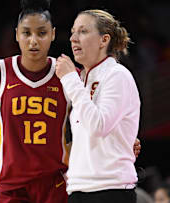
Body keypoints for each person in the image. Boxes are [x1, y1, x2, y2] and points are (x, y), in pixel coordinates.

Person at [0, 1, 141, 202]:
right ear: (16, 34)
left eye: (42, 33)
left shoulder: (70, 75)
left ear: (53, 34)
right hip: (10, 185)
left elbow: (92, 123)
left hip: (56, 185)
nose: (33, 41)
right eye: (26, 33)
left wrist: (119, 139)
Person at [55, 9, 141, 203]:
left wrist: (70, 79)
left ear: (104, 40)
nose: (73, 38)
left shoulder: (117, 75)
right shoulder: (83, 79)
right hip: (79, 188)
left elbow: (98, 126)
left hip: (110, 190)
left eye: (83, 31)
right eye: (73, 32)